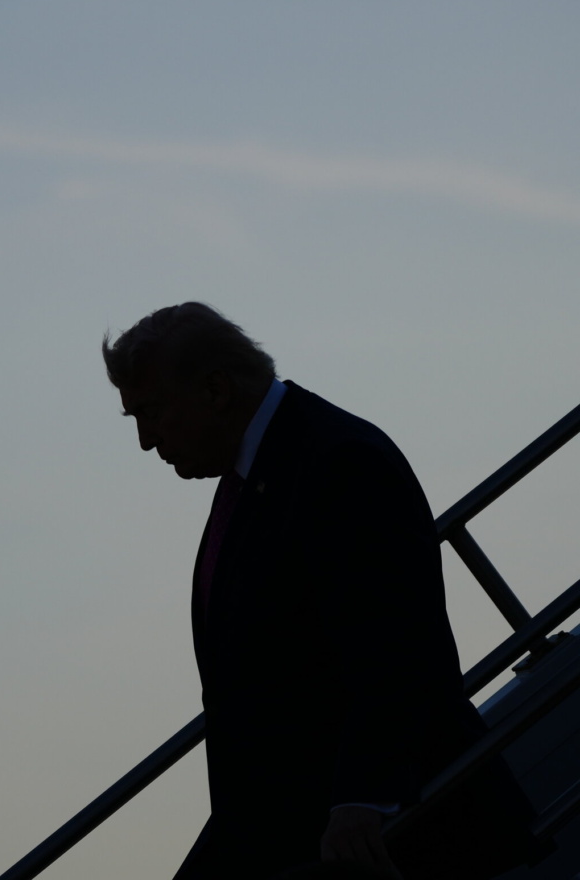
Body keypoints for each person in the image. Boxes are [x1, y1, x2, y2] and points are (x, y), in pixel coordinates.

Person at [102, 303, 540, 880]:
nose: (145, 439)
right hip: (289, 820)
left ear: (215, 391)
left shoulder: (338, 461)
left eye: (152, 411)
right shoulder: (262, 472)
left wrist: (364, 796)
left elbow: (397, 645)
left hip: (380, 831)